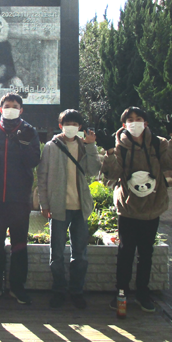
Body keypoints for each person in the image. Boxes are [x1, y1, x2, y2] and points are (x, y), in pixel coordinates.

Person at [100, 106, 172, 312]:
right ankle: (121, 291)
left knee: (146, 252)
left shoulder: (158, 143)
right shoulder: (119, 146)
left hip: (152, 207)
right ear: (123, 124)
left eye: (139, 119)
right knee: (125, 251)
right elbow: (111, 174)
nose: (134, 122)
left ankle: (143, 293)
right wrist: (109, 152)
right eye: (130, 119)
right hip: (128, 207)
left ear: (146, 123)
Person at [0, 93, 41, 304]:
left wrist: (23, 145)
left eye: (15, 106)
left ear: (21, 110)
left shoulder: (29, 131)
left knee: (19, 244)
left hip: (19, 198)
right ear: (0, 109)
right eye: (7, 105)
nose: (11, 108)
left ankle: (17, 287)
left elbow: (33, 161)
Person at [37, 109, 101, 309]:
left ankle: (76, 291)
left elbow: (94, 171)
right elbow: (42, 177)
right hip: (58, 207)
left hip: (80, 207)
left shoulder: (84, 146)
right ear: (60, 125)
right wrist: (44, 204)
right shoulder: (50, 147)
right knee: (56, 254)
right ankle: (58, 291)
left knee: (80, 255)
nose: (71, 127)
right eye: (67, 123)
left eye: (75, 123)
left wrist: (91, 146)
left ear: (80, 127)